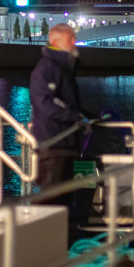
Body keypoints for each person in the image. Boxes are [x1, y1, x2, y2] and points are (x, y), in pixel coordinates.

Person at [29, 24, 98, 202]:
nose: (75, 43)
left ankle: (61, 229)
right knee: (51, 201)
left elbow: (64, 103)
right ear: (55, 41)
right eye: (70, 39)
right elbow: (45, 102)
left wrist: (86, 116)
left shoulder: (60, 67)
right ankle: (45, 230)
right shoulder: (47, 68)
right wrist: (76, 117)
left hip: (65, 146)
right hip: (53, 145)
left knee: (63, 201)